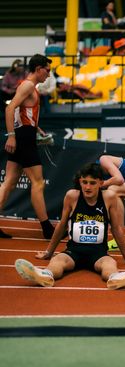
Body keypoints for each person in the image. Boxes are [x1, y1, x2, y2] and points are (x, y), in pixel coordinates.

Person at [14, 163, 125, 290]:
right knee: (58, 260)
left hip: (99, 254)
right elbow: (62, 226)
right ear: (80, 182)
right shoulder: (72, 196)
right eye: (84, 182)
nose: (87, 187)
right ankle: (45, 275)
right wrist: (49, 252)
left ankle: (116, 279)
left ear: (101, 183)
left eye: (92, 183)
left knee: (110, 264)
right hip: (74, 251)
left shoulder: (109, 197)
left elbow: (116, 229)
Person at [0, 54, 55, 239]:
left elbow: (20, 110)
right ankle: (47, 229)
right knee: (38, 183)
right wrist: (12, 136)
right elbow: (9, 108)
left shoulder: (28, 85)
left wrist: (35, 126)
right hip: (23, 137)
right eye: (47, 70)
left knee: (9, 182)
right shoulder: (28, 85)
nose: (48, 74)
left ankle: (47, 228)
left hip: (25, 133)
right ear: (38, 68)